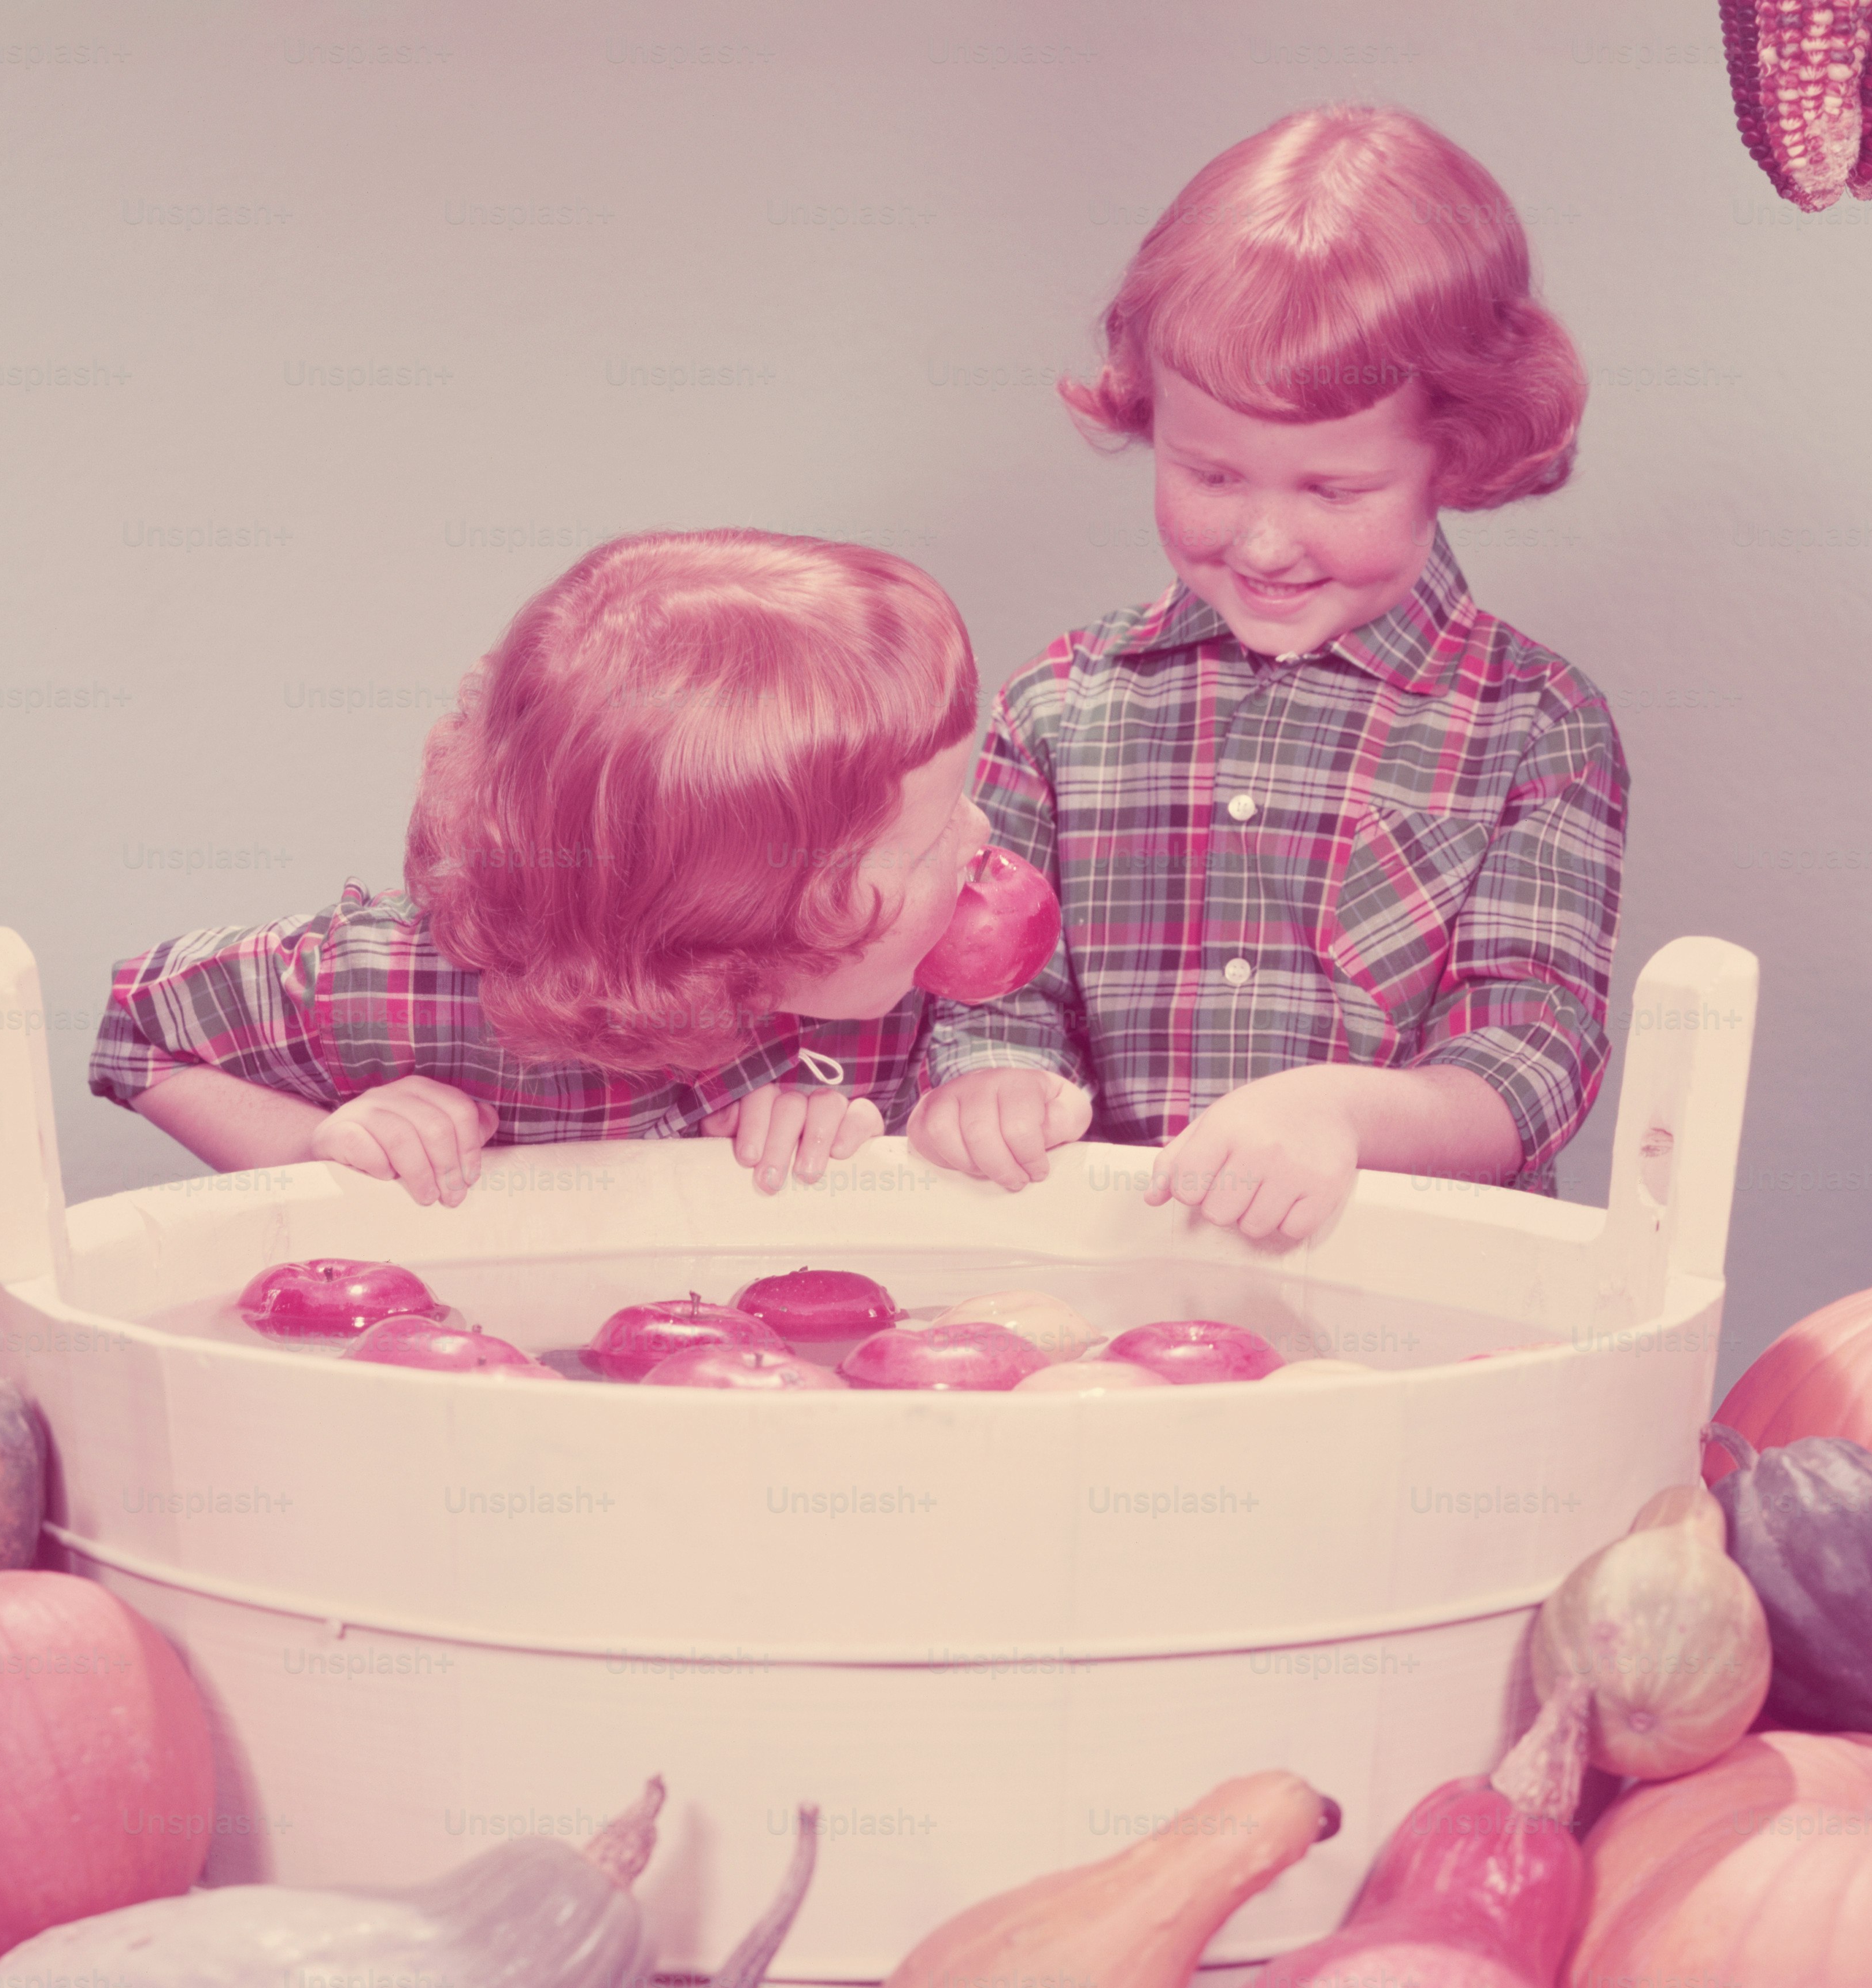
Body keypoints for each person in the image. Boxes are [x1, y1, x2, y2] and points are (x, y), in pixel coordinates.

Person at [909, 102, 1626, 1242]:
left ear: (1457, 451)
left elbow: (1529, 1059)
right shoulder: (1058, 705)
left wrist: (1338, 1113)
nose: (1260, 541)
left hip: (1409, 1301)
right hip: (1107, 1281)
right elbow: (990, 983)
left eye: (1332, 492)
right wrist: (993, 1077)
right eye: (1211, 473)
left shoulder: (1535, 727)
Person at [89, 529, 989, 1204]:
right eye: (930, 834)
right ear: (747, 920)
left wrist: (858, 1141)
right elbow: (137, 1032)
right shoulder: (394, 987)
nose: (982, 834)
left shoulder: (922, 999)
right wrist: (319, 1150)